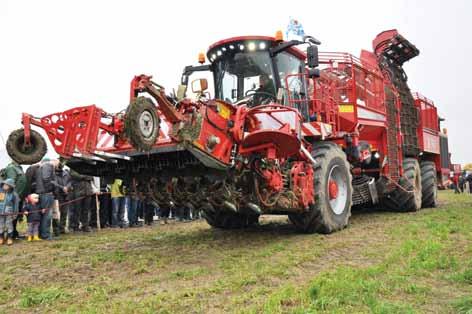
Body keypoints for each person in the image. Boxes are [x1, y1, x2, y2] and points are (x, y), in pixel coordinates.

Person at [35, 158, 59, 240]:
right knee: (47, 215)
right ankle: (46, 235)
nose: (57, 166)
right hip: (46, 194)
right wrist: (52, 188)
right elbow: (46, 179)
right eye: (57, 164)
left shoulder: (41, 167)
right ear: (54, 162)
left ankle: (42, 234)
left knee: (43, 215)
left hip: (41, 193)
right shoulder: (48, 165)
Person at [3, 161, 27, 239]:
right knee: (11, 217)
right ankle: (10, 234)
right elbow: (10, 183)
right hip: (12, 198)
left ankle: (14, 233)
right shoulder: (11, 168)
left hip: (18, 197)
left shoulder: (18, 167)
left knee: (15, 216)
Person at [52, 161, 71, 236]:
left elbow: (70, 182)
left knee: (64, 212)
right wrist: (62, 188)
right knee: (56, 213)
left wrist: (67, 187)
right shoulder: (53, 174)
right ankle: (56, 229)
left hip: (66, 195)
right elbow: (53, 183)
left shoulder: (66, 173)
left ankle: (62, 228)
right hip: (57, 195)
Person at [0, 179, 19, 245]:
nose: (4, 186)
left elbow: (16, 205)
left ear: (10, 186)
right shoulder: (1, 192)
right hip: (1, 213)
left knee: (9, 225)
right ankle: (1, 238)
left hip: (9, 213)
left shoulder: (14, 195)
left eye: (7, 185)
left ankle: (9, 238)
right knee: (1, 225)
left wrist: (15, 214)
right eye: (4, 184)